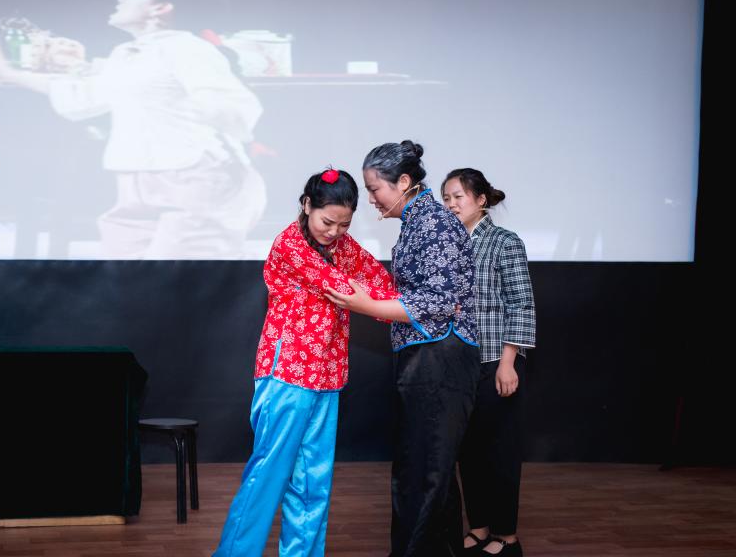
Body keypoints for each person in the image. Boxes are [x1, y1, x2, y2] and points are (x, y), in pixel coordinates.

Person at [0, 0, 264, 259]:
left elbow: (236, 108)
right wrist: (6, 71)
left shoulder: (188, 48)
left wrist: (186, 115)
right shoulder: (127, 54)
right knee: (128, 274)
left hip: (194, 178)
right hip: (135, 183)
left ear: (160, 9)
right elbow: (82, 96)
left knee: (182, 275)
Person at [214, 168, 399, 556]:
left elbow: (382, 285)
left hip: (328, 375)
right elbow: (343, 288)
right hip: (287, 374)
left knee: (313, 482)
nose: (334, 232)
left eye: (344, 225)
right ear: (306, 205)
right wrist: (365, 294)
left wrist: (382, 299)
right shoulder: (290, 244)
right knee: (268, 475)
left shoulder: (343, 246)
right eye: (327, 221)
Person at [324, 141, 480, 557]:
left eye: (375, 188)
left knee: (422, 473)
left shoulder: (435, 224)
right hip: (430, 357)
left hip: (440, 358)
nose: (371, 198)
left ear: (404, 182)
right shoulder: (419, 222)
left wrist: (367, 306)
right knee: (432, 471)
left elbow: (439, 300)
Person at [442, 169, 535, 557]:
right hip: (459, 363)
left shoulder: (504, 242)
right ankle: (479, 528)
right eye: (446, 198)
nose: (451, 204)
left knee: (500, 451)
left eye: (458, 196)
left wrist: (508, 363)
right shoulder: (447, 243)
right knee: (467, 450)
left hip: (496, 361)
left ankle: (506, 536)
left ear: (481, 200)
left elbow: (521, 304)